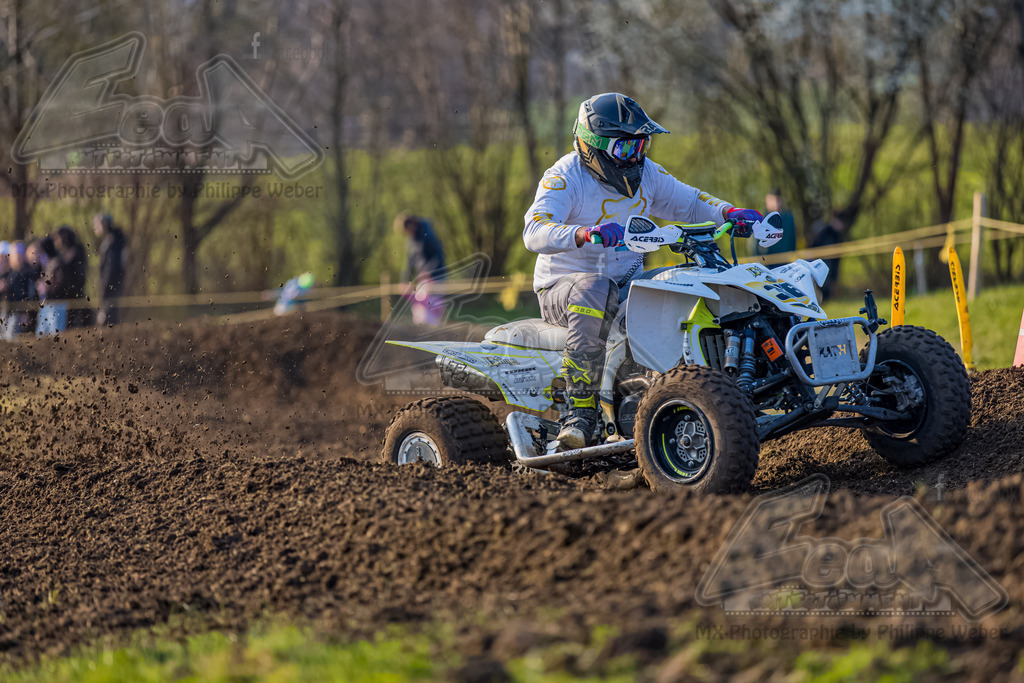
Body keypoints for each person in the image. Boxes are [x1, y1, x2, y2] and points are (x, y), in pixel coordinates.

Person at [524, 92, 766, 449]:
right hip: (563, 288)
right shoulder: (564, 177)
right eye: (626, 149)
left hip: (627, 284)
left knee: (684, 285)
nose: (636, 157)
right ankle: (579, 412)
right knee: (596, 287)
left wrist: (728, 212)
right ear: (594, 147)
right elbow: (534, 230)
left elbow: (690, 201)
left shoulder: (647, 173)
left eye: (642, 146)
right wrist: (582, 232)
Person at [397, 213, 446, 325]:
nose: (407, 233)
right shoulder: (411, 239)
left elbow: (439, 256)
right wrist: (404, 280)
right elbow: (409, 261)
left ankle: (433, 329)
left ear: (412, 225)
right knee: (420, 304)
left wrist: (429, 272)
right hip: (423, 278)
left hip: (436, 276)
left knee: (432, 305)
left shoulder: (427, 234)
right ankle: (421, 328)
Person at [93, 213, 128, 326]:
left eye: (97, 224)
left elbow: (111, 267)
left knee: (109, 318)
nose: (95, 227)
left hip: (111, 287)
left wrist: (105, 287)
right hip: (111, 286)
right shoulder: (112, 240)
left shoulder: (113, 241)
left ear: (105, 224)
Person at [52, 226, 90, 327]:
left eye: (57, 238)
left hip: (74, 297)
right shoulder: (63, 254)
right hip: (64, 298)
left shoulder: (75, 252)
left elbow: (79, 277)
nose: (55, 242)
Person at [811, 209, 848, 301]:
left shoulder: (837, 236)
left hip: (830, 269)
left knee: (826, 292)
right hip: (822, 267)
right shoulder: (825, 232)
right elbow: (815, 247)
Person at [752, 189, 797, 256]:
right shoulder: (763, 217)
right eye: (767, 200)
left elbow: (792, 239)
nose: (768, 203)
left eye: (771, 200)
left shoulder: (787, 217)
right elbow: (758, 241)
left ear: (779, 201)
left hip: (785, 258)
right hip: (768, 260)